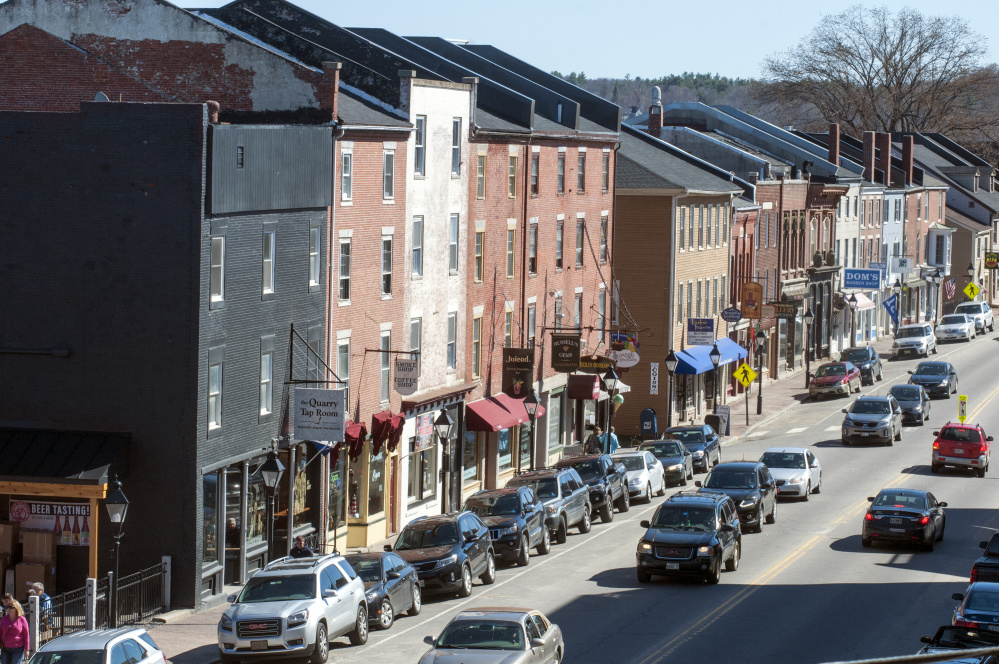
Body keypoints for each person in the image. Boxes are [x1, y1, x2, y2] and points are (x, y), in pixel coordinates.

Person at [1, 599, 29, 664]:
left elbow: (26, 634)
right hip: (5, 648)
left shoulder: (22, 619)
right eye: (7, 607)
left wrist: (27, 649)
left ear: (16, 608)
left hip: (18, 649)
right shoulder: (4, 619)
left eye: (11, 607)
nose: (9, 609)